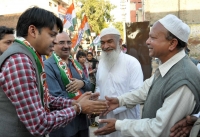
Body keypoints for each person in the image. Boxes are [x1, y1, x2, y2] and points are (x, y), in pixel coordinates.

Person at [0, 7, 107, 137]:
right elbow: (39, 124)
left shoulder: (30, 56)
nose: (54, 41)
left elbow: (43, 99)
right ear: (33, 31)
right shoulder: (20, 61)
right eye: (52, 35)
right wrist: (78, 108)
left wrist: (75, 102)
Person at [94, 14, 200, 137]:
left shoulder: (183, 79)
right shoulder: (168, 66)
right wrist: (119, 101)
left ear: (172, 44)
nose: (147, 41)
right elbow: (145, 90)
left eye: (153, 38)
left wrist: (119, 125)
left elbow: (159, 129)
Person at [95, 27, 143, 137]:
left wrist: (116, 104)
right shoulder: (101, 63)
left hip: (126, 120)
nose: (105, 46)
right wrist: (96, 98)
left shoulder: (132, 63)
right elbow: (99, 86)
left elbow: (137, 93)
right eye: (102, 43)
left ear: (120, 42)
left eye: (110, 41)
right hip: (104, 119)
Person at [44, 32, 91, 137]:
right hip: (64, 125)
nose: (66, 46)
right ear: (53, 45)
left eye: (69, 42)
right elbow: (54, 97)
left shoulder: (75, 63)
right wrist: (81, 102)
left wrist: (82, 83)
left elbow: (89, 84)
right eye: (61, 43)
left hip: (82, 122)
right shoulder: (48, 66)